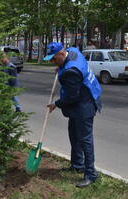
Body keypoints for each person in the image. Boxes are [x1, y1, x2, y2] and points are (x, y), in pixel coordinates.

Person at [44, 42, 102, 188]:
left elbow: (71, 97)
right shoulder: (73, 50)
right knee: (74, 134)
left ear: (62, 54)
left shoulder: (71, 71)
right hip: (82, 99)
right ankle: (77, 165)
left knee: (85, 139)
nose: (52, 62)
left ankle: (91, 174)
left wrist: (56, 104)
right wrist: (59, 67)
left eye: (54, 59)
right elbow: (67, 63)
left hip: (84, 105)